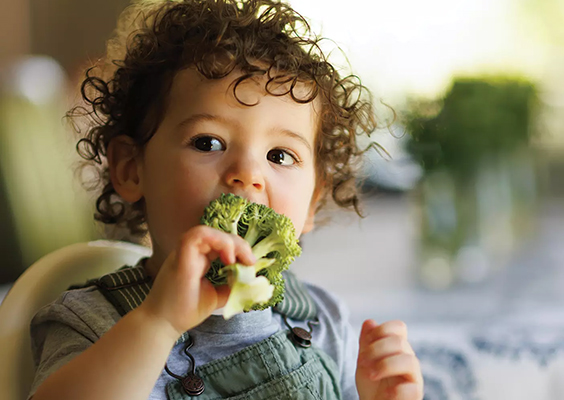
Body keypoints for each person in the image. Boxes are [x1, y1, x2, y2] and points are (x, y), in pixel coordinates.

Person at [29, 1, 424, 399]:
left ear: (312, 202)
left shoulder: (320, 319)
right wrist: (158, 322)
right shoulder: (91, 321)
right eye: (208, 142)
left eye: (280, 156)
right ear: (132, 169)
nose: (248, 174)